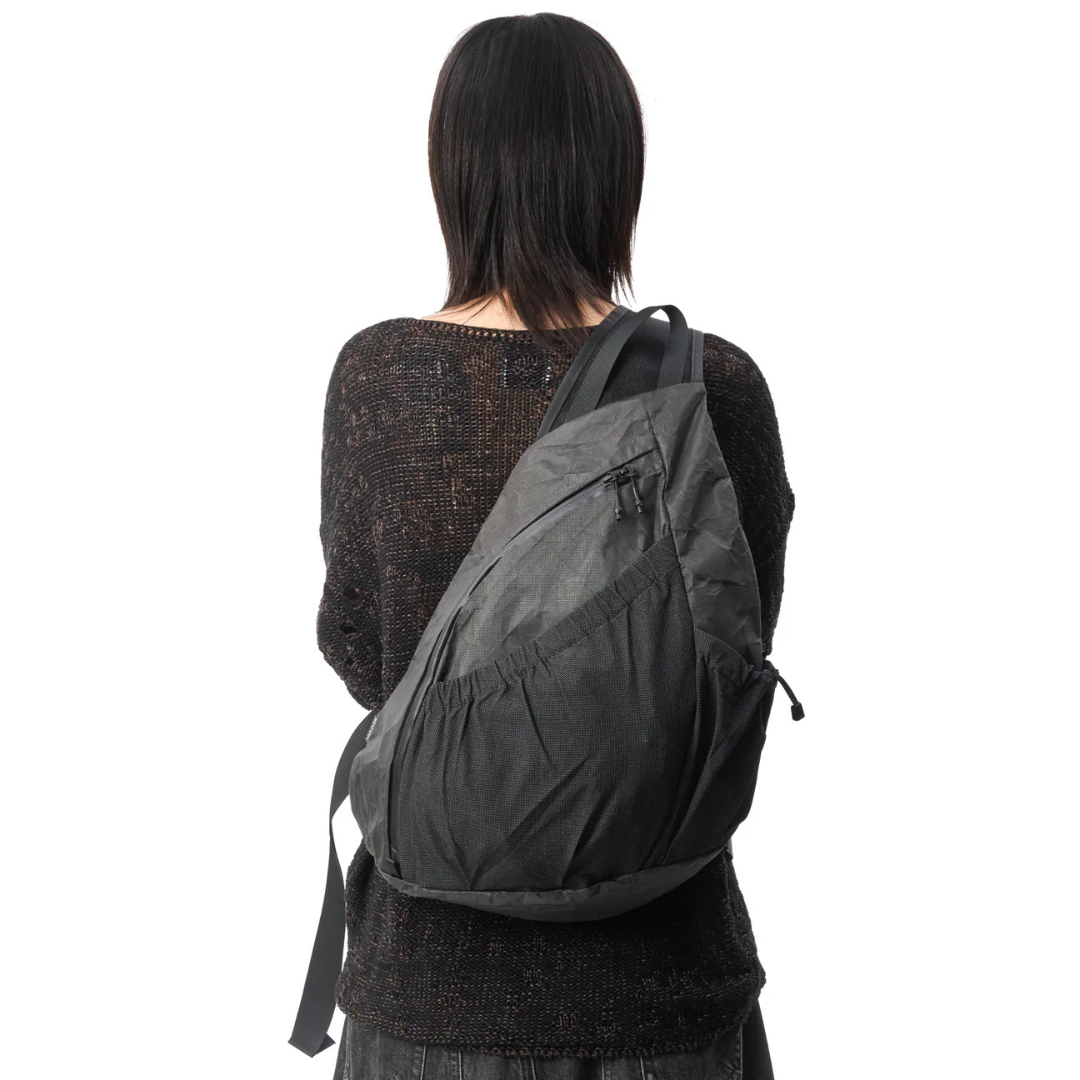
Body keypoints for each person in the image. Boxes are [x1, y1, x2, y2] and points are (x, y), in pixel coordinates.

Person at [317, 13, 795, 1080]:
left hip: (428, 992)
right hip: (664, 991)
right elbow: (730, 643)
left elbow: (359, 645)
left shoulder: (379, 378)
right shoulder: (710, 384)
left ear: (453, 170)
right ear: (616, 168)